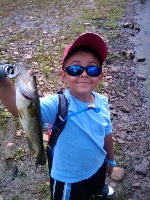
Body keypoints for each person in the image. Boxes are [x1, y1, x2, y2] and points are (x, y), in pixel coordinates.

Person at [0, 32, 116, 200]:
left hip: (98, 165)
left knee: (96, 184)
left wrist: (110, 159)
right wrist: (3, 83)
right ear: (64, 76)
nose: (84, 74)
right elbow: (19, 110)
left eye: (92, 68)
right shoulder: (57, 104)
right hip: (68, 180)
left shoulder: (103, 102)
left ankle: (98, 189)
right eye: (75, 69)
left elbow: (107, 133)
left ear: (100, 76)